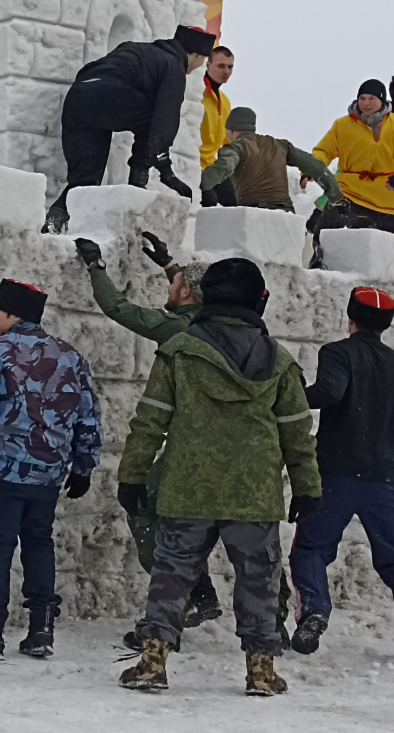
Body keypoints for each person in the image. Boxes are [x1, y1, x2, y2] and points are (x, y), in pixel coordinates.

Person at [118, 258, 320, 696]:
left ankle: (153, 663)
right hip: (254, 492)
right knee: (259, 581)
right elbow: (297, 433)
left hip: (188, 487)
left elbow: (150, 421)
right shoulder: (280, 362)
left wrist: (131, 476)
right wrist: (307, 487)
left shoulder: (179, 351)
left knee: (172, 576)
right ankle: (261, 672)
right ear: (256, 299)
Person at [73, 234, 224, 639]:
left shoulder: (179, 327)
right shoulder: (217, 325)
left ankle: (185, 598)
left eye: (174, 285)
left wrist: (95, 265)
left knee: (144, 511)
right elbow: (187, 289)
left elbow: (118, 308)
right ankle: (224, 602)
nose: (168, 290)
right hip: (232, 451)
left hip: (190, 451)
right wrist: (170, 265)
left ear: (189, 292)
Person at [0, 279, 102, 661]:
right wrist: (84, 465)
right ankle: (41, 630)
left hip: (3, 471)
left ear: (12, 314)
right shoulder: (70, 356)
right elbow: (88, 414)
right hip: (49, 473)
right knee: (39, 543)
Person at [288, 287, 394, 655]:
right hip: (384, 477)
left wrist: (291, 394)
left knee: (312, 549)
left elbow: (329, 392)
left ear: (350, 318)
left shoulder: (338, 352)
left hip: (335, 474)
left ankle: (314, 611)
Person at [43, 25, 217, 233]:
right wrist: (165, 169)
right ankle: (137, 183)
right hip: (109, 95)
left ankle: (55, 218)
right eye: (203, 60)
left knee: (85, 180)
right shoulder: (173, 65)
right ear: (196, 54)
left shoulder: (137, 49)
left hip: (79, 96)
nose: (200, 66)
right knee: (152, 120)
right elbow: (165, 118)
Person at [201, 107, 340, 212]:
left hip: (255, 214)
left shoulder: (234, 148)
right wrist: (335, 194)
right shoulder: (280, 145)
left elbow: (225, 166)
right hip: (286, 214)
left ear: (230, 130)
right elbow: (315, 166)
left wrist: (198, 185)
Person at [308, 79, 394, 234]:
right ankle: (319, 256)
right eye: (362, 98)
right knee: (325, 230)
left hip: (387, 195)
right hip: (350, 191)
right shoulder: (342, 125)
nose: (366, 103)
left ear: (382, 100)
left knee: (386, 247)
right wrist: (311, 169)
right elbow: (324, 151)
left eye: (371, 98)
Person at [199, 46, 235, 205]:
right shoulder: (196, 93)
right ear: (208, 64)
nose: (226, 71)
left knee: (237, 200)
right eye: (221, 66)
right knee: (209, 201)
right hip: (193, 165)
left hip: (212, 167)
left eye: (230, 66)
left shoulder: (225, 101)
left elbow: (228, 142)